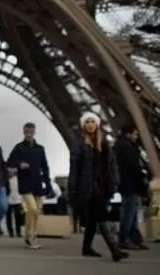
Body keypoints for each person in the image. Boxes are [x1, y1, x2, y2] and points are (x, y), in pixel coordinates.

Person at [68, 112, 128, 262]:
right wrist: (73, 189)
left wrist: (115, 182)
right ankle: (114, 249)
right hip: (88, 186)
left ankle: (86, 247)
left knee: (92, 219)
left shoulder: (104, 143)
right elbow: (75, 168)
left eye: (92, 121)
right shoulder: (79, 143)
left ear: (97, 124)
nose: (90, 124)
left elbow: (112, 166)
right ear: (83, 125)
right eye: (87, 122)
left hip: (102, 185)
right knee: (102, 215)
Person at [6, 122, 52, 249]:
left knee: (35, 212)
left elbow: (45, 167)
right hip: (25, 183)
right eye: (27, 132)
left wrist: (48, 184)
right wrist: (20, 164)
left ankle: (31, 237)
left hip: (37, 183)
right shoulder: (19, 148)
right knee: (33, 209)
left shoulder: (40, 149)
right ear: (23, 132)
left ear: (34, 132)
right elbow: (9, 161)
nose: (29, 135)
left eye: (31, 132)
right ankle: (29, 238)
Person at [113, 124, 149, 250]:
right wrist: (142, 176)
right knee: (130, 213)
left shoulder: (120, 145)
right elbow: (133, 166)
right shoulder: (128, 147)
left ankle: (133, 238)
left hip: (125, 183)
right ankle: (125, 239)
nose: (136, 136)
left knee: (131, 212)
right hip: (131, 184)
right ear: (128, 134)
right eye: (135, 133)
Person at [5, 170, 23, 238]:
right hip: (8, 201)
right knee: (8, 218)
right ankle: (11, 233)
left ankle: (18, 232)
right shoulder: (5, 180)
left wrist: (21, 199)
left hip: (17, 201)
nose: (10, 172)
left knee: (18, 217)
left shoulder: (19, 179)